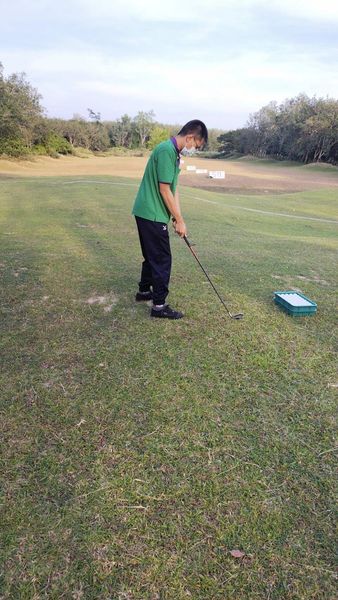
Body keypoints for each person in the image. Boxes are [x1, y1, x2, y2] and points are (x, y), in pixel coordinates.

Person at [132, 120, 208, 319]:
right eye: (195, 145)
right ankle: (159, 306)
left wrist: (177, 218)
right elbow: (163, 189)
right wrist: (179, 219)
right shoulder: (167, 150)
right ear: (190, 137)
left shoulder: (173, 153)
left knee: (151, 255)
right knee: (162, 259)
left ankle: (144, 292)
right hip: (152, 213)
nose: (194, 149)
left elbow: (174, 190)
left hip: (147, 212)